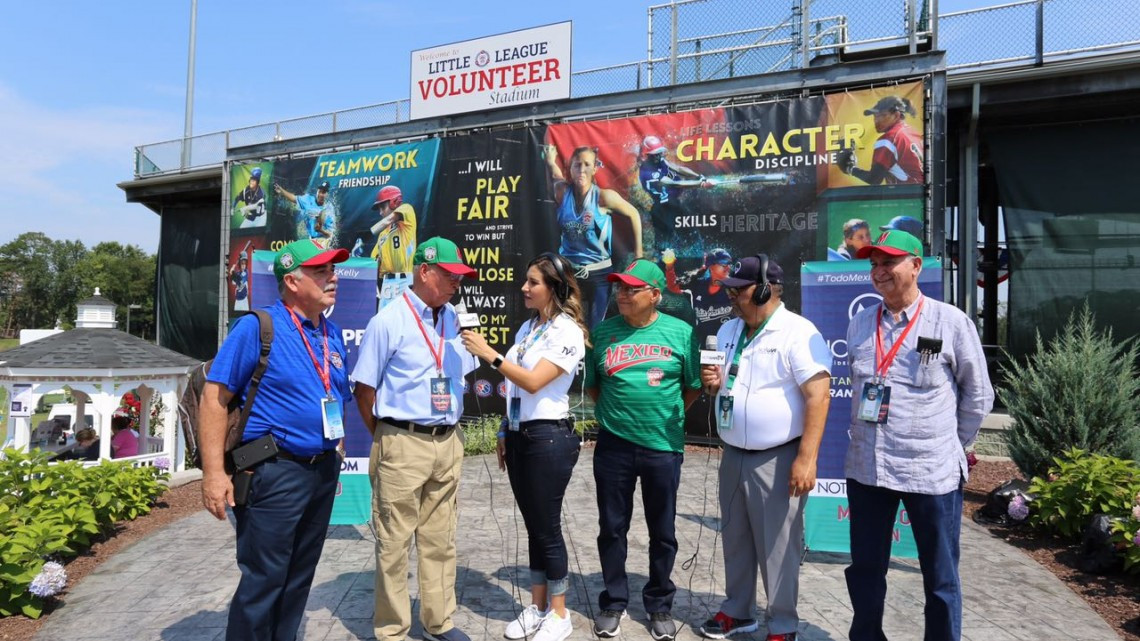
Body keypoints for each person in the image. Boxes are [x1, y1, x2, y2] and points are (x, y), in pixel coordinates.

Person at [844, 230, 993, 641]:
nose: (879, 271)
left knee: (940, 577)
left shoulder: (950, 322)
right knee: (865, 570)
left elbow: (979, 395)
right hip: (868, 468)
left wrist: (949, 444)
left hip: (930, 472)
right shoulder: (860, 323)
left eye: (888, 262)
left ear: (916, 265)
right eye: (874, 264)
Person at [199, 238, 351, 641]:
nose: (332, 277)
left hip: (321, 470)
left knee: (300, 574)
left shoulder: (331, 333)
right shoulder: (257, 327)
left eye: (333, 269)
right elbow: (215, 399)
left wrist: (337, 448)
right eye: (321, 271)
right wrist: (214, 474)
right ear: (293, 281)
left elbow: (335, 396)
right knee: (264, 578)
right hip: (273, 470)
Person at [696, 256, 831, 641]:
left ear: (765, 290)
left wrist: (806, 459)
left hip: (778, 455)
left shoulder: (797, 332)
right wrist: (712, 383)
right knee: (736, 538)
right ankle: (738, 611)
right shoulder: (728, 330)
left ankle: (783, 625)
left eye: (739, 289)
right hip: (734, 452)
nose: (731, 295)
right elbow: (721, 386)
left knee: (778, 547)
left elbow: (818, 396)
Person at [351, 237, 478, 641]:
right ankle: (392, 631)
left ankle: (439, 622)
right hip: (402, 441)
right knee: (394, 543)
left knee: (441, 539)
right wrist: (387, 437)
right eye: (450, 275)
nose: (457, 283)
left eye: (460, 277)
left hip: (448, 440)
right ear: (424, 271)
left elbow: (461, 372)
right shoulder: (388, 321)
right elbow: (364, 390)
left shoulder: (454, 319)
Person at [459, 252, 589, 641]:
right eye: (526, 281)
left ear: (554, 287)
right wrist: (504, 429)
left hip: (549, 437)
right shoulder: (528, 327)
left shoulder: (567, 332)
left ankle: (560, 614)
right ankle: (538, 607)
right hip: (519, 435)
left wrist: (490, 354)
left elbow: (533, 382)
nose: (524, 288)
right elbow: (516, 391)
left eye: (533, 282)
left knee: (547, 528)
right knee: (534, 526)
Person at [584, 259, 701, 641]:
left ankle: (659, 604)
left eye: (631, 289)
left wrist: (663, 416)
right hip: (613, 445)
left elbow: (692, 386)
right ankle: (613, 601)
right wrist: (619, 415)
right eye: (619, 287)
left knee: (663, 530)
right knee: (611, 528)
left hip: (662, 445)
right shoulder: (603, 333)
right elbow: (594, 385)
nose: (622, 294)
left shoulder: (681, 332)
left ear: (655, 295)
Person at [545, 144, 643, 328]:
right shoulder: (562, 193)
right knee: (566, 325)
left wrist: (639, 255)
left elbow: (634, 214)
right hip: (570, 273)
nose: (582, 169)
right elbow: (556, 175)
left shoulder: (603, 197)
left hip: (599, 274)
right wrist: (551, 161)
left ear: (595, 169)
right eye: (577, 165)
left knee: (597, 327)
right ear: (571, 168)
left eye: (587, 165)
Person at [638, 135, 711, 250]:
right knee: (664, 243)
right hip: (661, 209)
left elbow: (678, 169)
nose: (658, 155)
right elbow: (674, 183)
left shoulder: (660, 161)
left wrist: (698, 176)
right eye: (655, 154)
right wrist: (700, 184)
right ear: (647, 155)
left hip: (673, 203)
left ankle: (697, 254)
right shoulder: (647, 172)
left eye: (659, 152)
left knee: (691, 230)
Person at [836, 96, 924, 185]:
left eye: (882, 115)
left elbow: (874, 179)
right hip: (924, 189)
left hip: (909, 192)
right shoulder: (914, 133)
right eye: (875, 116)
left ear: (896, 115)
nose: (876, 120)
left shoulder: (889, 139)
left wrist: (850, 169)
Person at [369, 185, 418, 274]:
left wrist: (370, 232)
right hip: (386, 280)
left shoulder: (407, 209)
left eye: (383, 207)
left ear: (394, 202)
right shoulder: (383, 233)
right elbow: (373, 261)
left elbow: (389, 219)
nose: (380, 213)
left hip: (406, 277)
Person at [275, 180, 336, 246]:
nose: (320, 194)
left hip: (322, 241)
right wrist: (282, 191)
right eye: (319, 191)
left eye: (323, 192)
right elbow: (294, 198)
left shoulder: (329, 209)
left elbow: (331, 234)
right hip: (310, 240)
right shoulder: (308, 199)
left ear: (327, 194)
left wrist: (321, 230)